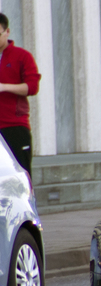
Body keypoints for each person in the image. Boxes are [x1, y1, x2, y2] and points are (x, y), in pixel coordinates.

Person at [0, 13, 41, 177]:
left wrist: (4, 87)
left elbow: (32, 87)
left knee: (20, 176)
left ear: (7, 31)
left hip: (14, 126)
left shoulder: (22, 56)